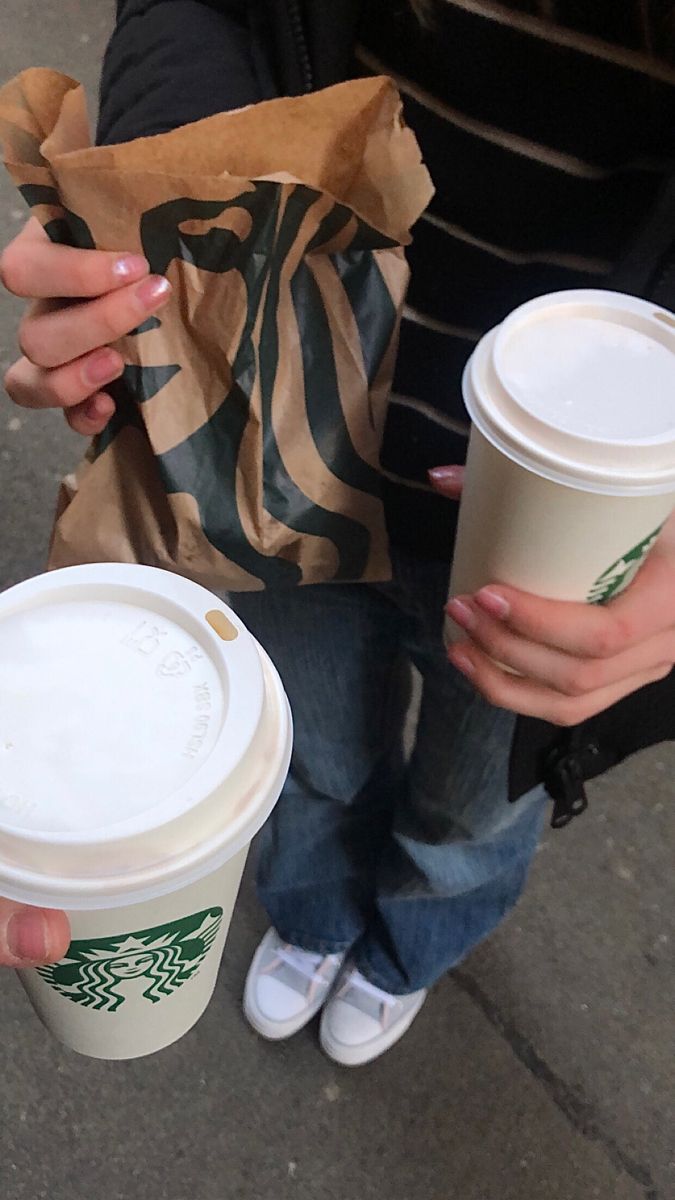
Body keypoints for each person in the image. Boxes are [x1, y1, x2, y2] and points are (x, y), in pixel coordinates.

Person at [2, 0, 675, 1065]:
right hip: (273, 460)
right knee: (305, 742)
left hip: (581, 508)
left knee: (475, 803)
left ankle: (412, 941)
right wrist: (171, 199)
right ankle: (314, 915)